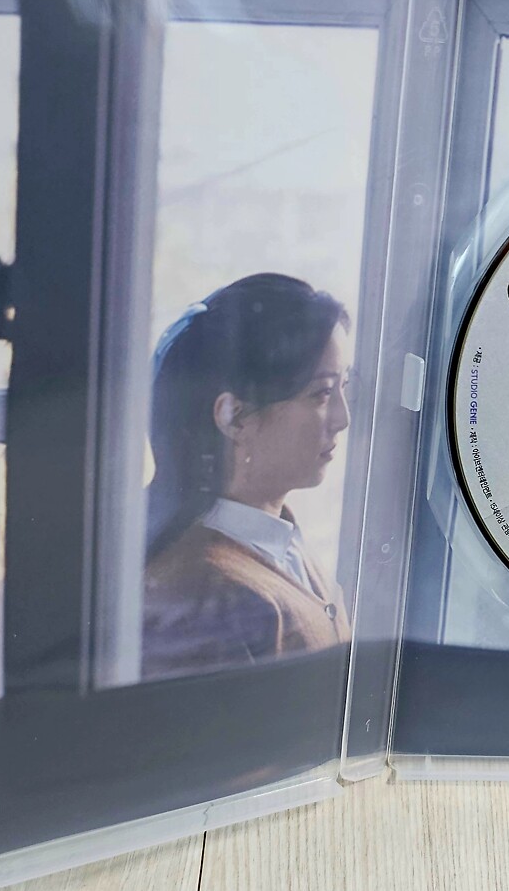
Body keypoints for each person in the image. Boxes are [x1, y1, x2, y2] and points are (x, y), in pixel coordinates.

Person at [141, 273, 354, 679]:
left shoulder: (279, 539)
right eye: (322, 394)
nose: (343, 418)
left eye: (344, 386)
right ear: (234, 417)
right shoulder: (201, 602)